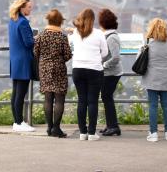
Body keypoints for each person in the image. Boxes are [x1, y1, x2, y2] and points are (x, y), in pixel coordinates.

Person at [70, 8, 108, 141]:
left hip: (78, 69)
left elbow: (71, 48)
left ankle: (82, 132)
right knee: (92, 101)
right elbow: (105, 52)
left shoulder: (75, 32)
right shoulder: (99, 34)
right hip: (94, 69)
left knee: (82, 100)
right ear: (93, 20)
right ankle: (92, 133)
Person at [33, 9, 72, 138]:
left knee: (48, 98)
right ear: (60, 22)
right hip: (59, 68)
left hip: (44, 68)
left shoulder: (41, 35)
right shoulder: (62, 37)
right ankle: (56, 128)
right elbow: (67, 55)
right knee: (59, 99)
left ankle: (49, 128)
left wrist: (45, 59)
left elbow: (36, 52)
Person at [142, 18, 167, 142]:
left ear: (152, 29)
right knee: (166, 105)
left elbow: (139, 59)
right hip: (166, 78)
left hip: (152, 78)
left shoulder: (148, 45)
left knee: (153, 106)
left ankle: (154, 133)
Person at [8, 0, 35, 132]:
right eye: (29, 7)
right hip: (24, 61)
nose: (31, 9)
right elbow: (28, 43)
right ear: (22, 7)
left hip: (15, 60)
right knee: (21, 93)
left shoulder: (13, 20)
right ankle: (19, 123)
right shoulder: (23, 22)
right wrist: (36, 38)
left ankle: (16, 121)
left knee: (15, 92)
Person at [99, 8, 122, 136]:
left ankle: (113, 126)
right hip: (109, 73)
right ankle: (110, 125)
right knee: (106, 98)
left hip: (111, 73)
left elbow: (116, 57)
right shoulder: (110, 36)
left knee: (107, 98)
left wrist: (104, 65)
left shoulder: (111, 38)